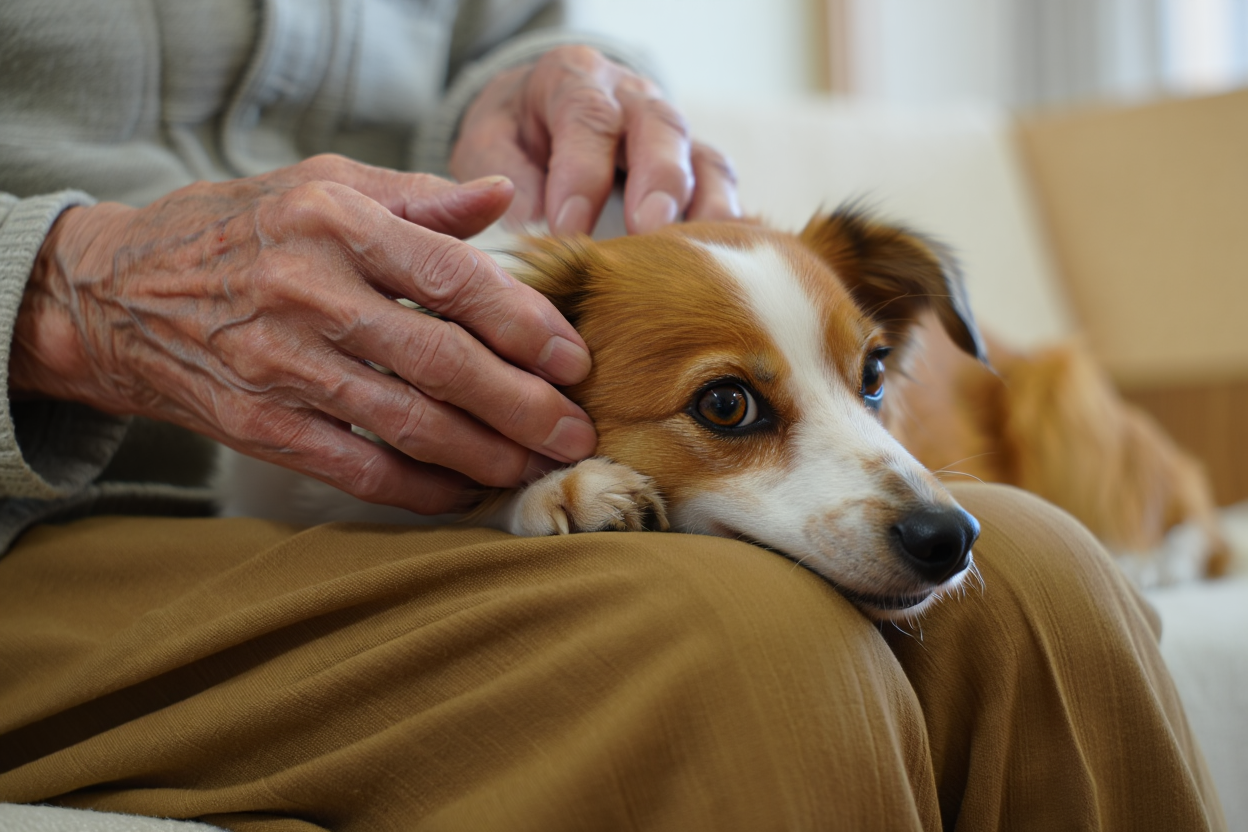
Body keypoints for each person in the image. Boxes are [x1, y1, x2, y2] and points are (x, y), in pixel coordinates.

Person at [0, 3, 1227, 830]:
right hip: (46, 528)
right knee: (756, 644)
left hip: (426, 416)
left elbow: (512, 30)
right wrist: (64, 288)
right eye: (733, 408)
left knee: (1042, 582)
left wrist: (540, 101)